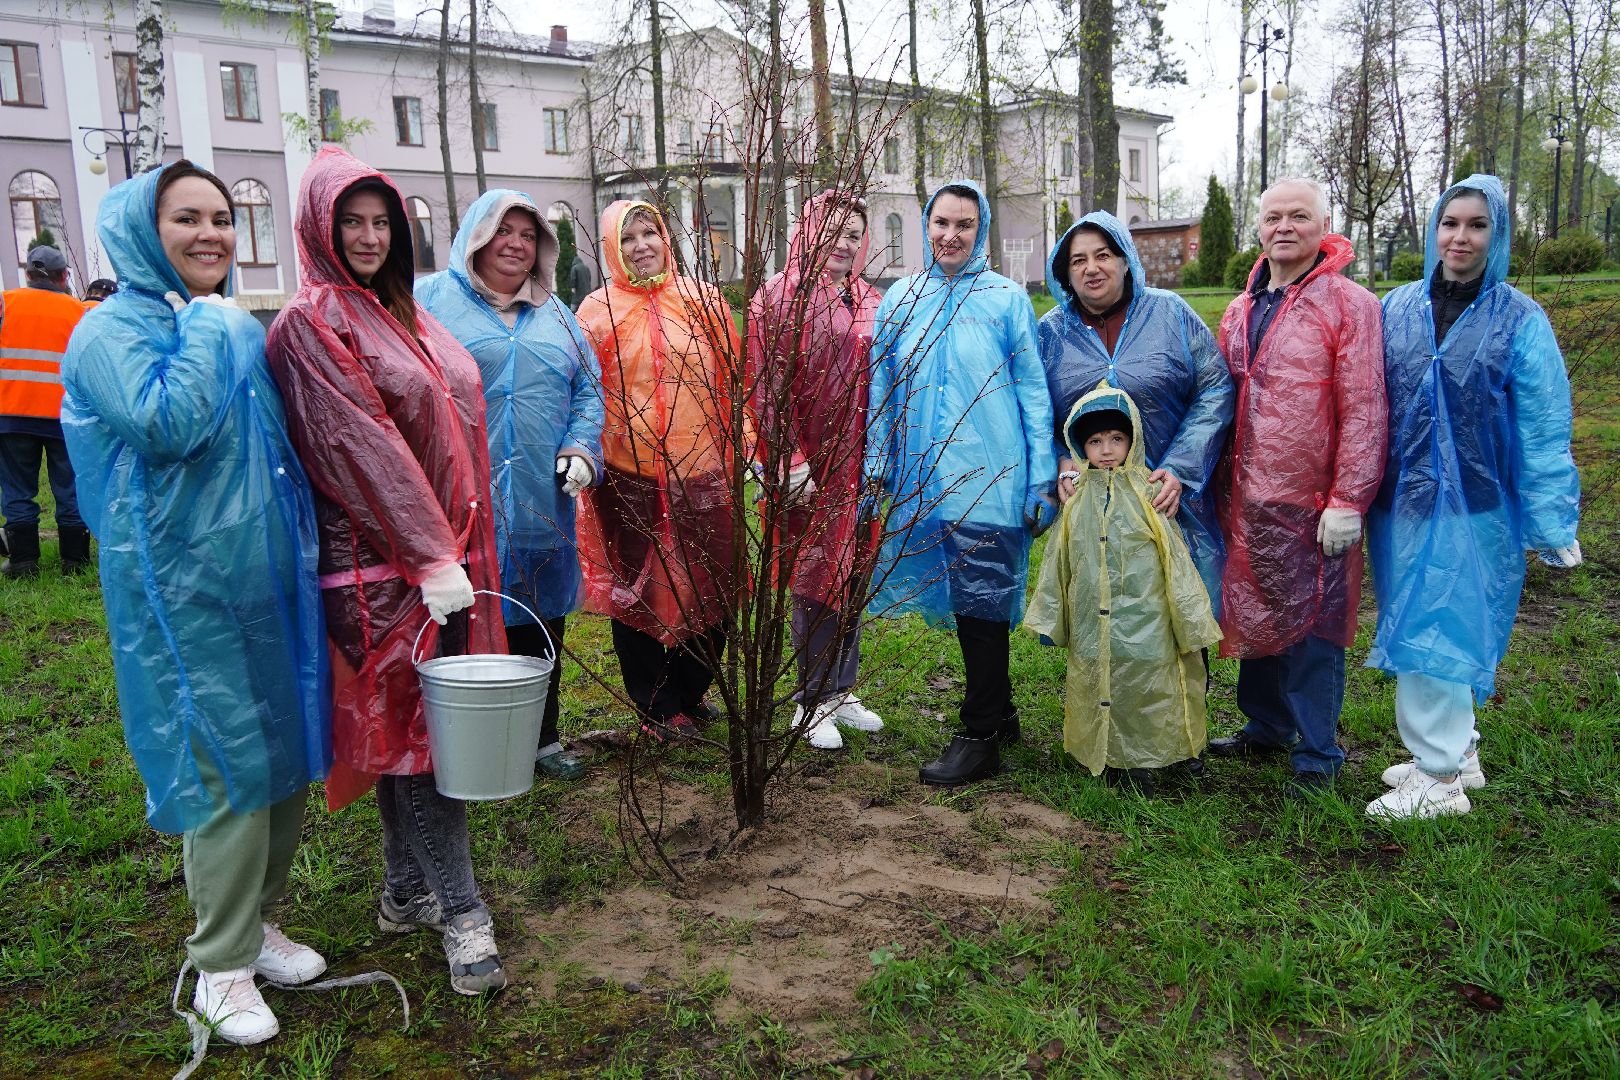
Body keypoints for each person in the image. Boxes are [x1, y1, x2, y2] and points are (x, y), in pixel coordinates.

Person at [61, 161, 329, 1045]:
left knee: (284, 759)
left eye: (220, 217)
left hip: (263, 579)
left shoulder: (220, 322)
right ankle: (219, 963)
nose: (211, 233)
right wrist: (215, 329)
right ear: (145, 230)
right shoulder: (110, 331)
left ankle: (259, 926)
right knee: (222, 767)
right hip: (178, 594)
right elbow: (167, 426)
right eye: (187, 219)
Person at [267, 146, 508, 995]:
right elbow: (358, 450)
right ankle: (464, 914)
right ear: (320, 229)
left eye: (381, 221)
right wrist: (429, 554)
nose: (369, 235)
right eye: (352, 221)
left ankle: (407, 891)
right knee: (422, 743)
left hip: (444, 561)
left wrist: (456, 551)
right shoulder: (311, 322)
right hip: (384, 574)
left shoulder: (402, 310)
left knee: (417, 733)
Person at [1365, 174, 1581, 820]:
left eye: (1477, 225)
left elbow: (1545, 425)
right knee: (1417, 620)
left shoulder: (1519, 319)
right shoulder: (1395, 308)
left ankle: (1437, 779)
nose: (1460, 237)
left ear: (1499, 236)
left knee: (1441, 627)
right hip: (1400, 500)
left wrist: (1550, 520)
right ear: (1434, 230)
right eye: (1450, 223)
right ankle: (1457, 751)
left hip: (1477, 503)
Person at [866, 180, 1056, 787]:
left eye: (965, 225)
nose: (952, 235)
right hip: (927, 477)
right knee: (968, 601)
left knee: (983, 603)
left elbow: (1032, 391)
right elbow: (882, 389)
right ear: (927, 224)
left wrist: (1041, 478)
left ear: (982, 229)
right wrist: (879, 462)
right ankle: (998, 711)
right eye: (942, 223)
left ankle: (978, 736)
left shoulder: (1005, 300)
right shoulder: (900, 299)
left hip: (994, 477)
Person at [1207, 177, 1387, 797]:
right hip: (1247, 492)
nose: (1284, 226)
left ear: (1323, 226)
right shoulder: (1240, 307)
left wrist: (1348, 499)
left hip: (1311, 499)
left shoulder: (1350, 305)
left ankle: (1317, 753)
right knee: (1255, 609)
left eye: (1299, 216)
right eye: (1273, 216)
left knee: (1314, 623)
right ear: (1258, 227)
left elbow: (1363, 406)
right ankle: (1266, 725)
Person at [416, 190, 603, 781]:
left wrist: (581, 448)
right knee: (458, 614)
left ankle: (540, 739)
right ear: (476, 235)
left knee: (540, 617)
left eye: (529, 235)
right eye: (504, 231)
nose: (516, 244)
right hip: (456, 501)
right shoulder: (429, 302)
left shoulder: (557, 315)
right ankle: (457, 742)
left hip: (538, 500)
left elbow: (589, 392)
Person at [575, 200, 740, 741]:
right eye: (628, 238)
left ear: (667, 237)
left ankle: (690, 693)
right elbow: (583, 395)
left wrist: (748, 449)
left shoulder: (703, 301)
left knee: (712, 586)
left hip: (702, 471)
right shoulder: (594, 314)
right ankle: (656, 706)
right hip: (629, 476)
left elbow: (734, 382)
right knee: (637, 593)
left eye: (651, 233)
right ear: (611, 249)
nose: (642, 245)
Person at [1025, 383, 1222, 797]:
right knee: (1099, 677)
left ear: (1132, 439)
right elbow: (1059, 558)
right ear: (1082, 446)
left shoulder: (1149, 493)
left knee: (1152, 679)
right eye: (1095, 441)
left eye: (1117, 438)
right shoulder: (1077, 498)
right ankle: (1114, 755)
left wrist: (1187, 616)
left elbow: (1176, 559)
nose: (1107, 450)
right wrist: (1052, 612)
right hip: (1091, 614)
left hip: (1147, 613)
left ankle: (1165, 750)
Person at [1038, 211, 1233, 613]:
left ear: (1126, 259)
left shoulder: (1171, 313)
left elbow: (1214, 387)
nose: (1092, 268)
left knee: (1176, 614)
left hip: (1167, 496)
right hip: (1092, 504)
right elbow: (1034, 410)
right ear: (1065, 272)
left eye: (1104, 255)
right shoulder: (1050, 333)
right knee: (1101, 613)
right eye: (1078, 260)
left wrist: (1181, 465)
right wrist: (1058, 458)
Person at [747, 190, 882, 751]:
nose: (844, 244)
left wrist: (884, 457)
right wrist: (787, 459)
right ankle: (811, 698)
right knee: (814, 578)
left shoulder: (872, 299)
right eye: (833, 230)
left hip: (862, 465)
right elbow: (764, 387)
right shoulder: (777, 299)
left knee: (851, 573)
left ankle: (840, 686)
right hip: (809, 467)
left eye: (854, 234)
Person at [0, 244, 91, 577]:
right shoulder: (79, 311)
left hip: (12, 412)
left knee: (18, 489)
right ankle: (75, 562)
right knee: (69, 487)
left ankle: (23, 562)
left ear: (28, 275)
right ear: (64, 276)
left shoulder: (5, 303)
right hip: (63, 416)